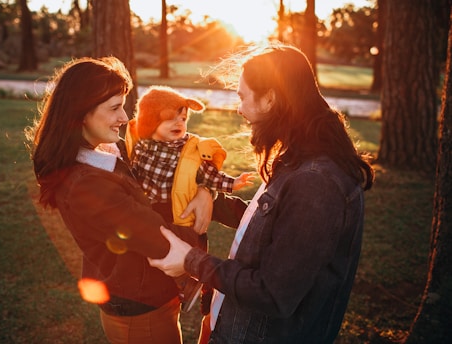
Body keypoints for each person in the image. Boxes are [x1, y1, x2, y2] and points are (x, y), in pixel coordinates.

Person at [148, 42, 375, 344]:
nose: (239, 109)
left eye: (242, 97)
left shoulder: (316, 182)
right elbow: (276, 229)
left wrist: (191, 261)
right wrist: (210, 199)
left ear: (270, 99)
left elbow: (272, 293)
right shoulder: (302, 158)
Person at [26, 56, 215, 344]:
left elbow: (168, 181)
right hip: (139, 309)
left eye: (123, 106)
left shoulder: (106, 153)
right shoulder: (85, 184)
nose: (125, 118)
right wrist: (201, 228)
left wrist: (205, 191)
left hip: (146, 294)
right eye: (114, 108)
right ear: (80, 114)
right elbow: (159, 240)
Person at [125, 85, 254, 312]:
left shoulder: (189, 148)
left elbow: (209, 174)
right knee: (158, 250)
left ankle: (252, 219)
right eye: (170, 119)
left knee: (219, 211)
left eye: (183, 119)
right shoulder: (140, 147)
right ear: (150, 123)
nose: (179, 124)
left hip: (183, 203)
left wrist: (232, 183)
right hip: (155, 209)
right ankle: (189, 285)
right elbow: (131, 174)